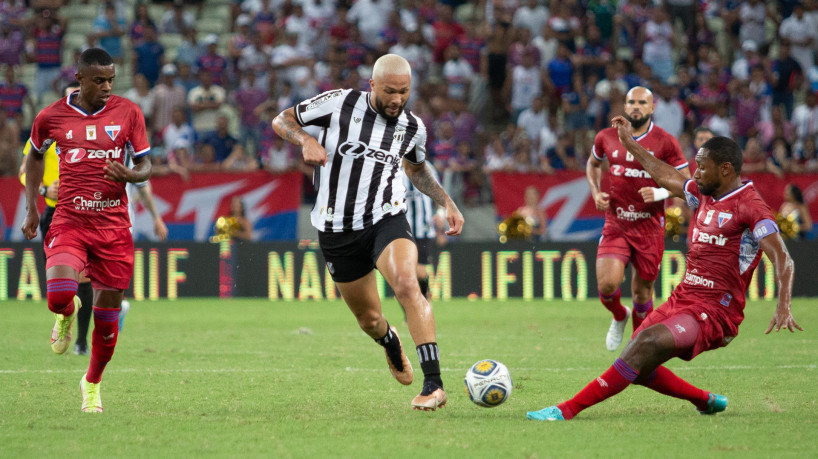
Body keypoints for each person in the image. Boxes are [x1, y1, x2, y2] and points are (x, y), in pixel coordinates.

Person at [527, 118, 802, 422]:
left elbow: (783, 257)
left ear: (725, 169)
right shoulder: (702, 193)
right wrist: (631, 145)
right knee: (639, 364)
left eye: (702, 166)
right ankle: (705, 400)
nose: (695, 173)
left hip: (716, 313)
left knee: (644, 345)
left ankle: (566, 410)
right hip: (682, 299)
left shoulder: (751, 207)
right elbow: (663, 173)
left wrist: (783, 304)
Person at [272, 54, 464, 411]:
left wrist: (446, 202)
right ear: (372, 85)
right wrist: (305, 141)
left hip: (385, 219)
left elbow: (416, 170)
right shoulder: (338, 102)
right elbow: (281, 121)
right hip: (336, 229)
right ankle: (390, 342)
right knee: (369, 319)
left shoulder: (412, 127)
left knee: (407, 284)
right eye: (390, 91)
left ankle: (434, 384)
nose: (396, 99)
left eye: (404, 92)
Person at [21, 48, 151, 413]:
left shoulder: (128, 112)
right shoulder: (51, 116)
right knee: (59, 296)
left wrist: (130, 174)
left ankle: (91, 383)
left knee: (107, 324)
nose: (108, 86)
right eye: (99, 80)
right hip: (71, 221)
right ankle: (65, 314)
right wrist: (32, 209)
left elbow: (145, 165)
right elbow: (32, 156)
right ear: (79, 79)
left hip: (113, 228)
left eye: (111, 79)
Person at [586, 86, 691, 352]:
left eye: (642, 103)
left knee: (642, 293)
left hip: (649, 227)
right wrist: (596, 191)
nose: (636, 107)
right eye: (631, 102)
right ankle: (619, 315)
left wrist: (659, 192)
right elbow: (593, 164)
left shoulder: (665, 141)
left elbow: (687, 183)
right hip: (617, 223)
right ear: (624, 105)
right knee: (608, 284)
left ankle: (637, 347)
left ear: (652, 107)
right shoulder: (607, 137)